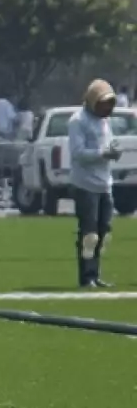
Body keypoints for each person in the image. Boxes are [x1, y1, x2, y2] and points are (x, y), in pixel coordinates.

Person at [69, 79, 120, 288]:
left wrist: (113, 151)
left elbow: (108, 145)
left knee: (103, 232)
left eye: (110, 103)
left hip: (104, 183)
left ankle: (96, 274)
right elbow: (78, 153)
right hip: (85, 184)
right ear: (92, 101)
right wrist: (103, 154)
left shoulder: (104, 121)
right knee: (89, 233)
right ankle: (86, 277)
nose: (107, 107)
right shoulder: (77, 120)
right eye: (103, 103)